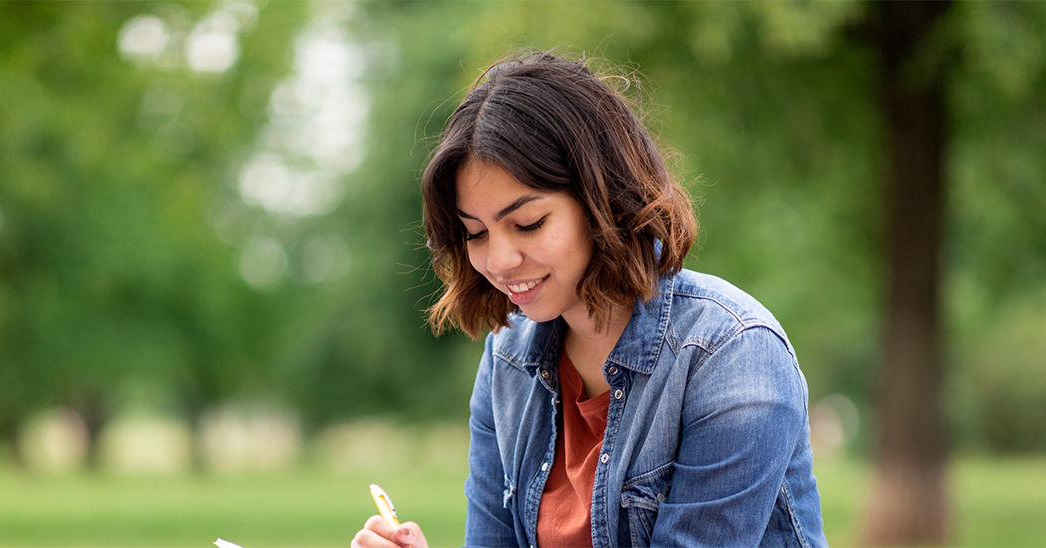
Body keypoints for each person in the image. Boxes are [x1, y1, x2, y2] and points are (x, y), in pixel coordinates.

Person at [352, 51, 826, 548]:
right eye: (475, 233)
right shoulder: (507, 359)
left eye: (528, 223)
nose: (499, 259)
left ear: (603, 198)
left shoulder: (731, 354)